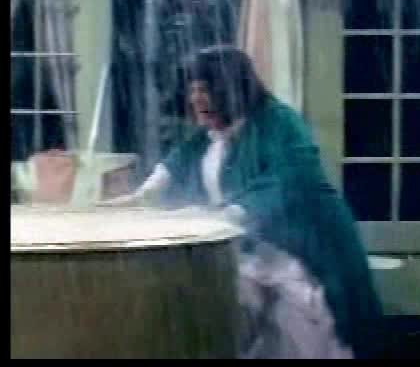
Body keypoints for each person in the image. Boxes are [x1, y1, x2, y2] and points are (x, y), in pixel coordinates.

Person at [99, 45, 382, 358]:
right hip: (254, 261)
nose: (196, 99)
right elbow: (177, 163)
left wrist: (228, 214)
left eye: (205, 89)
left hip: (304, 257)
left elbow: (291, 177)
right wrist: (141, 197)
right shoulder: (210, 137)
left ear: (230, 89)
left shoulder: (279, 123)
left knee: (306, 341)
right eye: (192, 90)